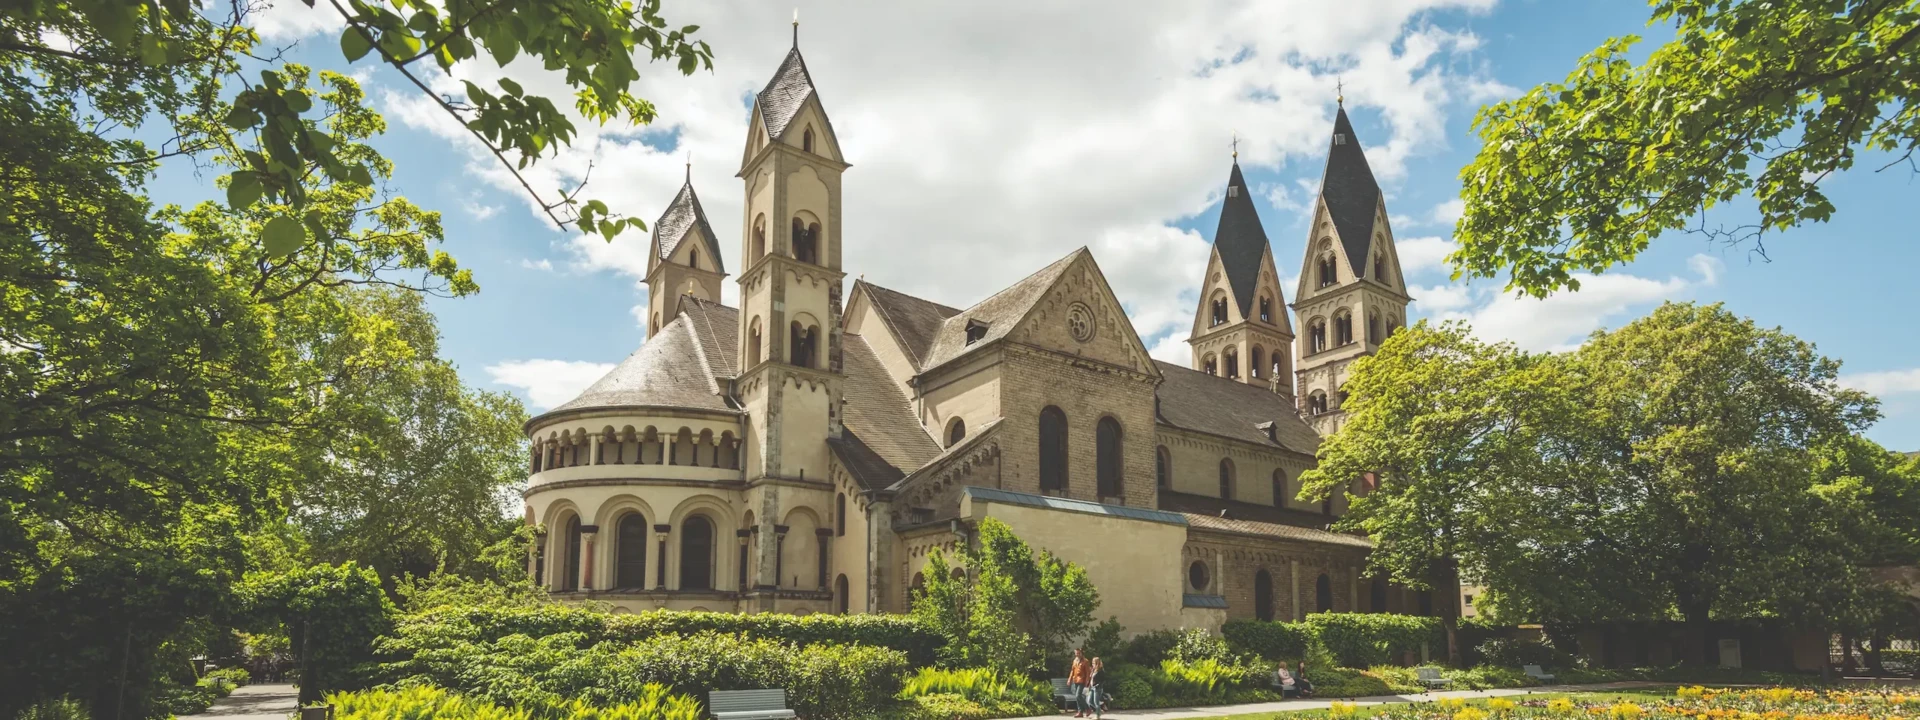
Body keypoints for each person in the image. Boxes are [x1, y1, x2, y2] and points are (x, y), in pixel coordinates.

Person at [1068, 648, 1091, 717]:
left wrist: (1087, 681)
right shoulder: (1075, 660)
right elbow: (1072, 670)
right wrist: (1069, 679)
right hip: (1075, 680)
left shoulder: (1085, 661)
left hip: (1082, 680)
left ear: (1081, 653)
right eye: (1076, 653)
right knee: (1077, 696)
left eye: (1078, 653)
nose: (1077, 655)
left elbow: (1088, 672)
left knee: (1078, 695)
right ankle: (1080, 712)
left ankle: (1087, 708)